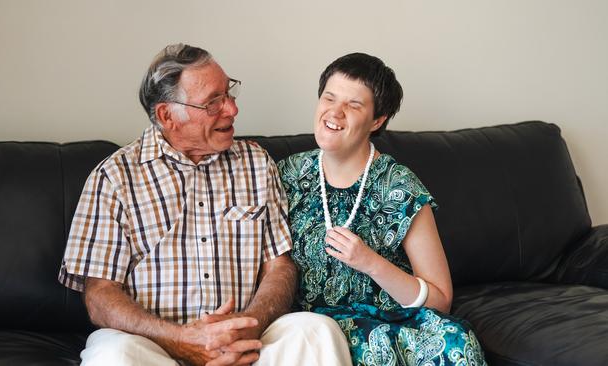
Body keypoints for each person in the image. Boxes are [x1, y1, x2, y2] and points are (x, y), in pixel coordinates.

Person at [58, 43, 352, 366]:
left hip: (248, 343)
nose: (232, 110)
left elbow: (279, 267)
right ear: (167, 115)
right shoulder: (114, 178)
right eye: (213, 103)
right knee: (113, 356)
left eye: (229, 94)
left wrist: (245, 329)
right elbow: (100, 295)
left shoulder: (255, 163)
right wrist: (182, 340)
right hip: (154, 346)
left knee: (317, 332)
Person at [277, 53, 487, 365]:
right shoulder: (287, 174)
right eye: (329, 98)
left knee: (455, 340)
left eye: (353, 105)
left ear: (378, 120)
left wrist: (370, 262)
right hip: (313, 329)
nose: (334, 112)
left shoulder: (399, 187)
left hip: (392, 323)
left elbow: (440, 300)